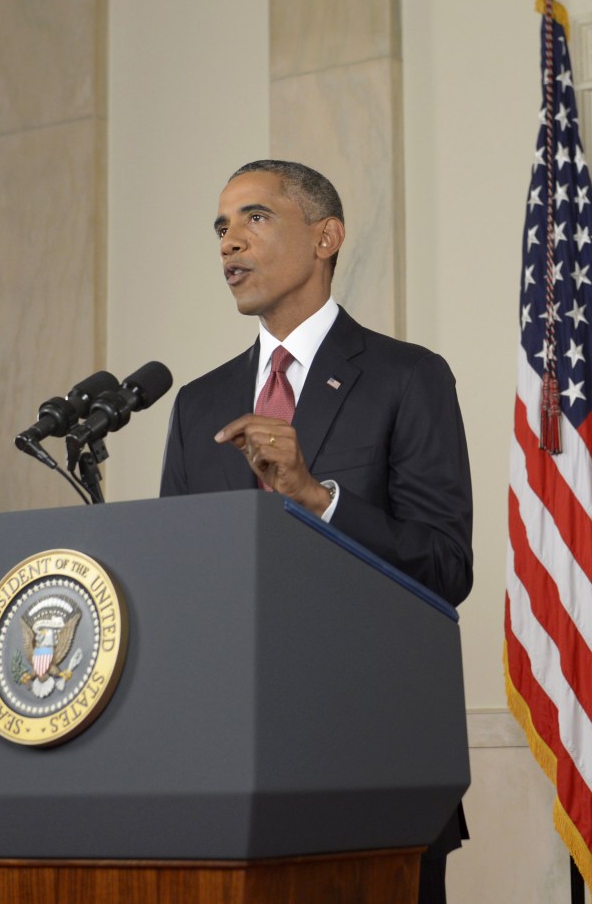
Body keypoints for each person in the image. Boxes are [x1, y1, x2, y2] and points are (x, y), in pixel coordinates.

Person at [159, 159, 473, 903]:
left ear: (326, 236)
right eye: (220, 228)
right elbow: (178, 582)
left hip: (370, 768)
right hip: (221, 777)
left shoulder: (408, 377)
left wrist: (317, 497)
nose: (229, 242)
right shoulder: (199, 405)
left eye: (255, 218)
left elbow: (445, 564)